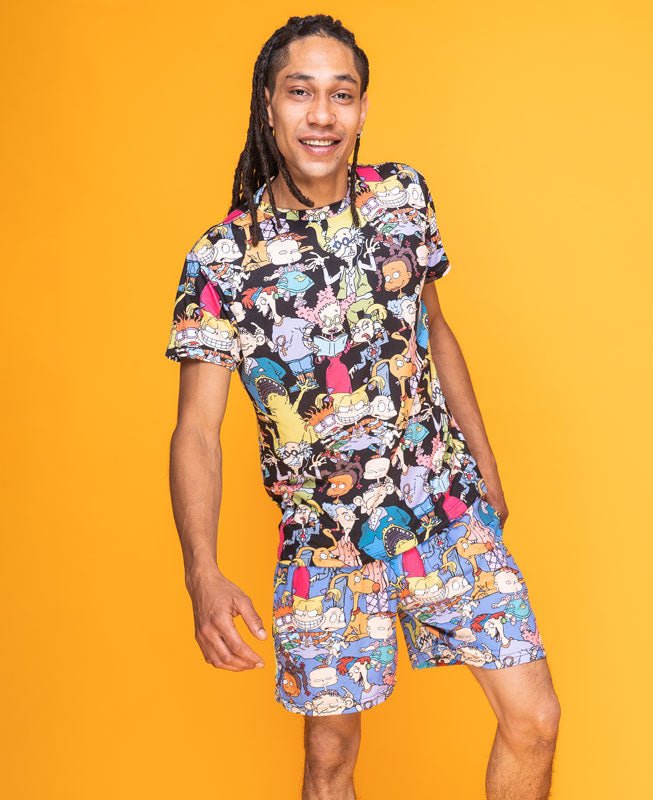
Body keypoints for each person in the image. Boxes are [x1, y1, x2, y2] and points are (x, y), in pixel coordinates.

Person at [165, 14, 560, 800]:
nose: (322, 114)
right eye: (301, 92)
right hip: (326, 548)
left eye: (340, 94)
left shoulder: (401, 197)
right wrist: (201, 571)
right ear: (269, 106)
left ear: (362, 108)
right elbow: (197, 433)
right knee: (330, 760)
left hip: (444, 510)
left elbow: (435, 330)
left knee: (535, 717)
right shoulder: (222, 261)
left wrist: (485, 466)